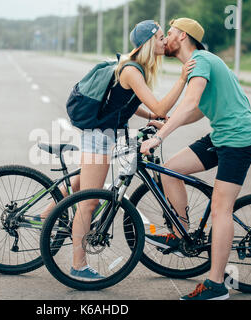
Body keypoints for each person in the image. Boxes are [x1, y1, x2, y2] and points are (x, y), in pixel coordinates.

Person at [40, 20, 196, 280]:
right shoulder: (131, 70)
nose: (163, 42)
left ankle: (46, 215)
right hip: (98, 138)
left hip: (106, 135)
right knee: (89, 202)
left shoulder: (136, 69)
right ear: (147, 43)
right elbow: (161, 107)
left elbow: (124, 102)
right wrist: (182, 80)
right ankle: (78, 265)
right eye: (159, 38)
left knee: (80, 187)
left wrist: (149, 117)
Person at [140, 18, 251, 300]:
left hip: (239, 140)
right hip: (221, 136)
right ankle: (180, 232)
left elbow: (191, 103)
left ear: (182, 36)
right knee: (168, 170)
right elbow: (199, 110)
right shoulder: (195, 65)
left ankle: (216, 285)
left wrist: (160, 138)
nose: (165, 38)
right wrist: (168, 124)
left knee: (221, 210)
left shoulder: (201, 60)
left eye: (169, 34)